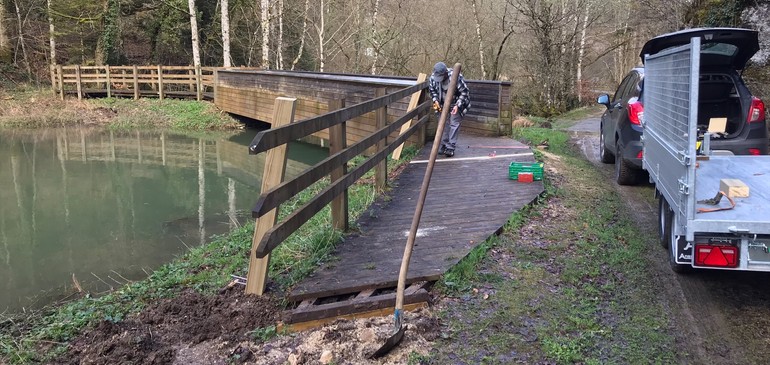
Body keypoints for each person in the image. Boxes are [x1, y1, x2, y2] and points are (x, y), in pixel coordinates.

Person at [429, 62, 470, 157]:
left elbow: (464, 92)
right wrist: (435, 100)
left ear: (445, 73)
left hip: (456, 102)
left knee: (454, 123)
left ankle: (450, 147)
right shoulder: (432, 78)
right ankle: (444, 144)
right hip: (442, 103)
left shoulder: (455, 77)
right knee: (442, 124)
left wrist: (457, 105)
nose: (438, 80)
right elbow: (432, 91)